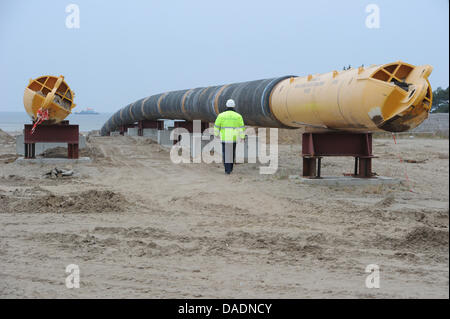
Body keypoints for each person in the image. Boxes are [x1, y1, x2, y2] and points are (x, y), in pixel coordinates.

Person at [214, 99, 245, 174]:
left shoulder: (221, 115)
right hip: (233, 138)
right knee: (232, 153)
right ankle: (230, 168)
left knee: (225, 153)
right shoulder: (238, 116)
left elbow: (216, 126)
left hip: (225, 138)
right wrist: (242, 137)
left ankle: (227, 170)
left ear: (226, 106)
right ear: (234, 106)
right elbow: (242, 128)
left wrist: (216, 135)